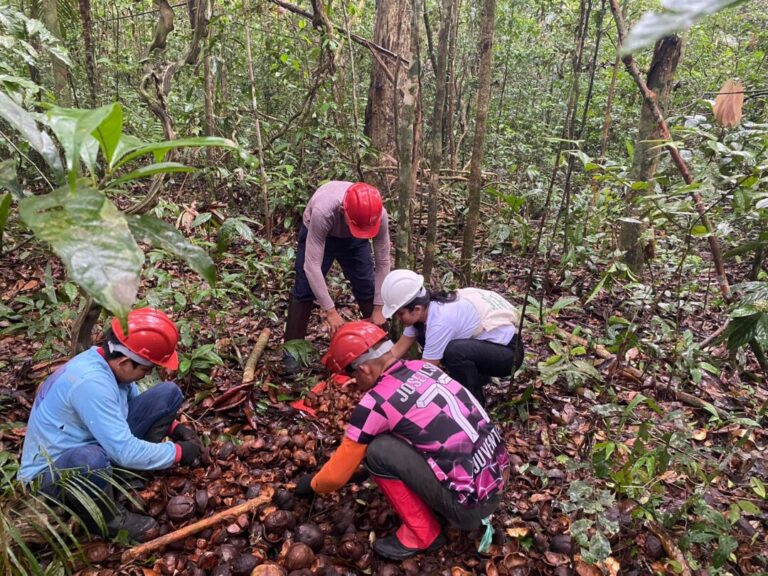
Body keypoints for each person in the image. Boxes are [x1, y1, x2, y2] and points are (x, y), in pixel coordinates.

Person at [292, 321, 509, 561]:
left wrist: (311, 485)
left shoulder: (375, 404)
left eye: (351, 375)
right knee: (394, 434)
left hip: (470, 508)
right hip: (498, 478)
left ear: (364, 369)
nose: (353, 382)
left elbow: (335, 477)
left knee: (378, 450)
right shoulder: (422, 367)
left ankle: (423, 534)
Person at [19, 307, 204, 542]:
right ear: (125, 361)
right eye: (147, 369)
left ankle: (128, 477)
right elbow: (124, 451)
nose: (147, 375)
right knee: (91, 460)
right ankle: (104, 519)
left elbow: (133, 407)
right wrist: (178, 452)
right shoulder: (92, 383)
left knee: (168, 394)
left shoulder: (110, 365)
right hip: (52, 475)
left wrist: (176, 428)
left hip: (96, 446)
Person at [282, 181, 391, 374]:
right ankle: (292, 352)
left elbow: (383, 261)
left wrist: (379, 307)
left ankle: (379, 345)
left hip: (355, 240)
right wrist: (330, 311)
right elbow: (311, 266)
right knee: (304, 289)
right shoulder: (323, 211)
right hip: (321, 233)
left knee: (366, 285)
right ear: (343, 210)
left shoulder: (378, 215)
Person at [380, 269, 524, 406]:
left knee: (454, 352)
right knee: (429, 338)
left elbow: (426, 370)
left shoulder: (440, 321)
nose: (398, 319)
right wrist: (374, 368)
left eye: (400, 314)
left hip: (509, 355)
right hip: (486, 344)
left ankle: (473, 405)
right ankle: (476, 379)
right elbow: (397, 349)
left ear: (416, 309)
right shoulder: (426, 311)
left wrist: (395, 394)